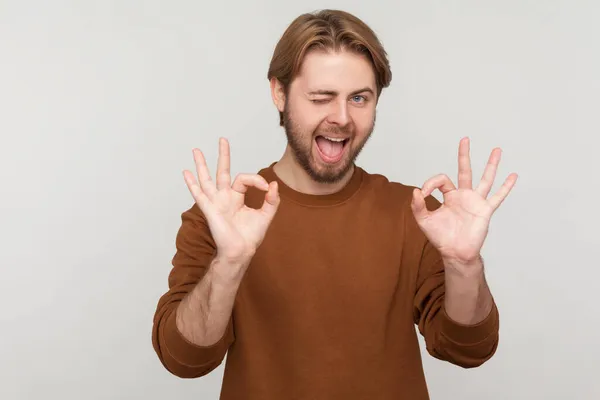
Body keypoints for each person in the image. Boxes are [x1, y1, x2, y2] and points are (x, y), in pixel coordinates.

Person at [151, 9, 518, 399]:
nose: (342, 118)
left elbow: (468, 349)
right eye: (321, 97)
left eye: (359, 98)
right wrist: (230, 263)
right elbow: (184, 359)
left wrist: (464, 265)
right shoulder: (223, 215)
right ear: (279, 92)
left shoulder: (416, 213)